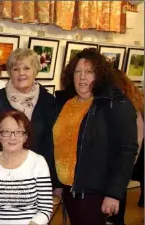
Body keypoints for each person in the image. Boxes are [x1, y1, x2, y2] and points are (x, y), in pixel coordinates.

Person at [53, 48, 138, 225]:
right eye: (78, 71)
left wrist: (114, 194)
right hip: (69, 190)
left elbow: (126, 151)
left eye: (89, 71)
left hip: (96, 193)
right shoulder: (66, 103)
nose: (82, 77)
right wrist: (58, 183)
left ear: (99, 75)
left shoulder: (114, 104)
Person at [0, 48, 58, 189]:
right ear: (10, 72)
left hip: (37, 176)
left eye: (27, 68)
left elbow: (51, 144)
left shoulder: (49, 101)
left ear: (35, 71)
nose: (21, 73)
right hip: (2, 175)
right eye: (16, 69)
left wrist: (54, 181)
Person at [0, 110, 53, 225]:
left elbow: (45, 208)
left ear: (25, 136)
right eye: (6, 132)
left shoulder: (38, 162)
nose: (12, 137)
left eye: (18, 132)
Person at [106, 70, 144, 225]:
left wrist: (125, 167)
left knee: (115, 213)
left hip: (122, 167)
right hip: (120, 168)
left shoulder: (128, 108)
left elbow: (136, 141)